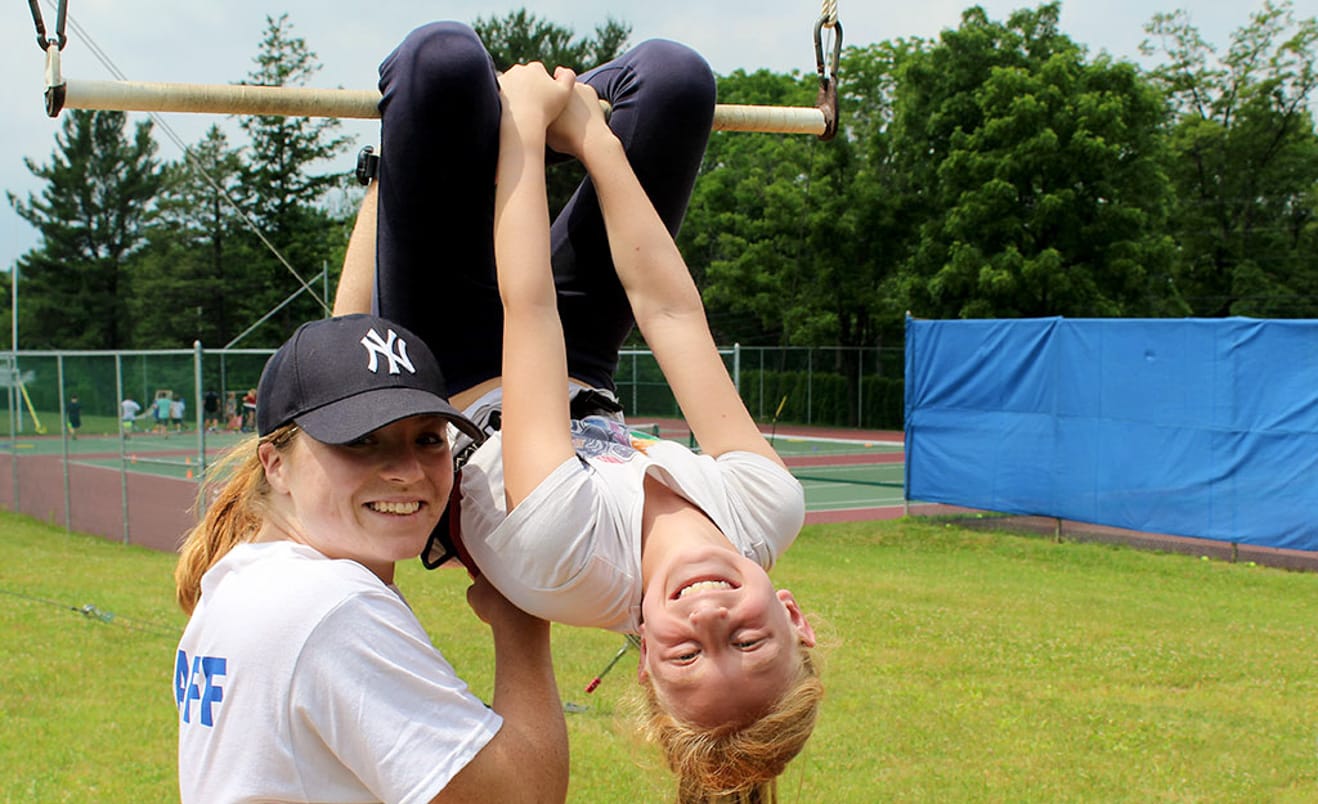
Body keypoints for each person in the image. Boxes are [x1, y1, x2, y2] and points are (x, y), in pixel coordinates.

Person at [335, 23, 821, 800]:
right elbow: (669, 312)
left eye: (688, 657)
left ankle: (457, 125)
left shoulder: (571, 564)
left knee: (443, 63)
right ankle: (547, 106)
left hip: (455, 351)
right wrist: (591, 136)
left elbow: (528, 311)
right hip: (576, 369)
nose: (708, 618)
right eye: (750, 639)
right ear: (791, 615)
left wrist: (525, 127)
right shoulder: (766, 512)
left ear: (648, 663)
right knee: (674, 81)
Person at [172, 313, 568, 803]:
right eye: (360, 440)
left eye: (428, 438)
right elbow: (521, 797)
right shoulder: (328, 606)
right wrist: (520, 623)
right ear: (276, 466)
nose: (407, 471)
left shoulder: (240, 578)